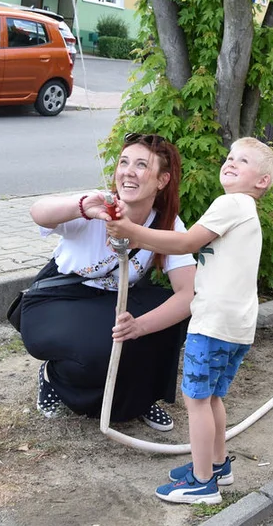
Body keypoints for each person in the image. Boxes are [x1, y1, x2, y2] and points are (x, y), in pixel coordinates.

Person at [104, 137, 273, 505]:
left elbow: (186, 244)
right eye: (230, 157)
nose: (230, 163)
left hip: (213, 322)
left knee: (196, 400)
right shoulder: (244, 210)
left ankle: (202, 484)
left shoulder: (231, 203)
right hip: (236, 325)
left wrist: (133, 233)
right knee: (212, 396)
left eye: (243, 161)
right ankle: (217, 466)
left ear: (262, 181)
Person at [21, 133, 196, 431]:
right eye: (124, 162)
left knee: (166, 319)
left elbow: (188, 293)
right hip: (59, 298)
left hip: (111, 301)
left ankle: (141, 398)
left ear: (162, 180)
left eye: (141, 165)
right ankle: (54, 378)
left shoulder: (166, 222)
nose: (128, 171)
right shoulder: (98, 205)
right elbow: (38, 213)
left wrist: (142, 326)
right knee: (97, 350)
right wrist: (81, 207)